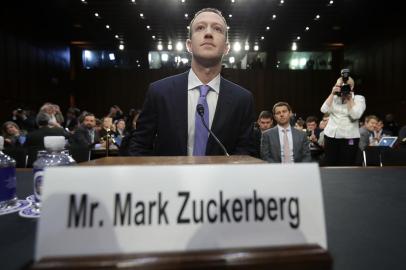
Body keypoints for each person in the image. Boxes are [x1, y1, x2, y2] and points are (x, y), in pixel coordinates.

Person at [128, 8, 255, 156]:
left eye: (217, 29)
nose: (208, 33)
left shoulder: (243, 99)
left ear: (226, 48)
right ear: (189, 45)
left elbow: (246, 153)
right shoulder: (159, 92)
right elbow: (139, 146)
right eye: (200, 28)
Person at [320, 75, 366, 166]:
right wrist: (332, 94)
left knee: (346, 164)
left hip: (349, 137)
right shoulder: (334, 98)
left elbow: (355, 115)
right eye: (339, 85)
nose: (342, 87)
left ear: (352, 87)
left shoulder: (359, 99)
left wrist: (349, 99)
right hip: (331, 136)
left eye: (345, 85)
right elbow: (323, 110)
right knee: (329, 163)